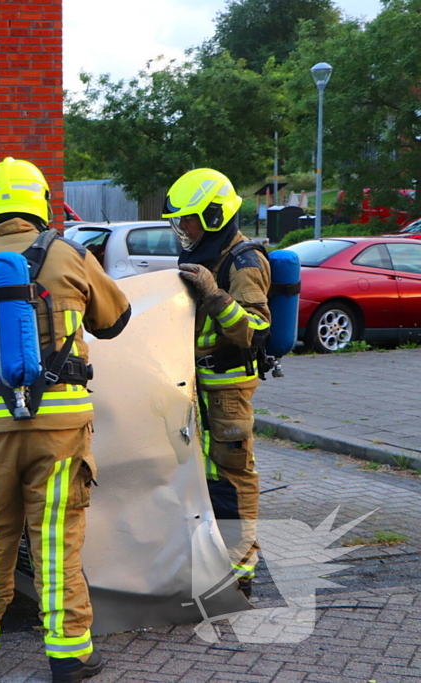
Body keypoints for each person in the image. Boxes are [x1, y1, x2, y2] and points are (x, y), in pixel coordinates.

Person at [0, 157, 131, 682]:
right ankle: (69, 655)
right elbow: (117, 319)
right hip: (61, 433)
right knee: (56, 539)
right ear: (39, 203)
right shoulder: (69, 256)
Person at [162, 168, 272, 598]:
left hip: (226, 388)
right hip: (193, 384)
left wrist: (214, 294)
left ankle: (240, 573)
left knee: (231, 477)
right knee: (198, 476)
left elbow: (254, 330)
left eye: (188, 219)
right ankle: (207, 566)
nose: (182, 228)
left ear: (213, 215)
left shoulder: (244, 261)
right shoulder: (206, 255)